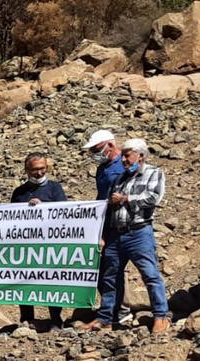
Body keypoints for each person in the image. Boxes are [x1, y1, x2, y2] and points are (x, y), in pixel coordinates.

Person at [87, 139, 171, 334]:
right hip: (116, 233)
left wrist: (125, 199)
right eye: (123, 155)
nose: (123, 159)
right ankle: (106, 318)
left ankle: (161, 316)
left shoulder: (153, 173)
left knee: (150, 274)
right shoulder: (120, 178)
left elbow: (154, 197)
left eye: (127, 155)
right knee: (110, 277)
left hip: (139, 232)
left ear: (140, 155)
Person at [12, 154, 69, 328]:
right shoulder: (19, 192)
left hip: (50, 244)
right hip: (27, 245)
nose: (39, 172)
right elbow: (10, 217)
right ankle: (27, 318)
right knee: (25, 281)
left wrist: (43, 206)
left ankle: (55, 319)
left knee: (52, 280)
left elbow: (64, 212)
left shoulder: (55, 188)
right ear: (27, 170)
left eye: (42, 168)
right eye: (35, 169)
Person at [85, 129, 130, 325]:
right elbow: (101, 197)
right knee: (107, 269)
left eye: (97, 149)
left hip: (126, 225)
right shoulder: (101, 169)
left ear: (110, 145)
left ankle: (120, 311)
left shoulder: (126, 164)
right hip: (107, 225)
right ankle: (113, 311)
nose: (94, 154)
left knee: (117, 268)